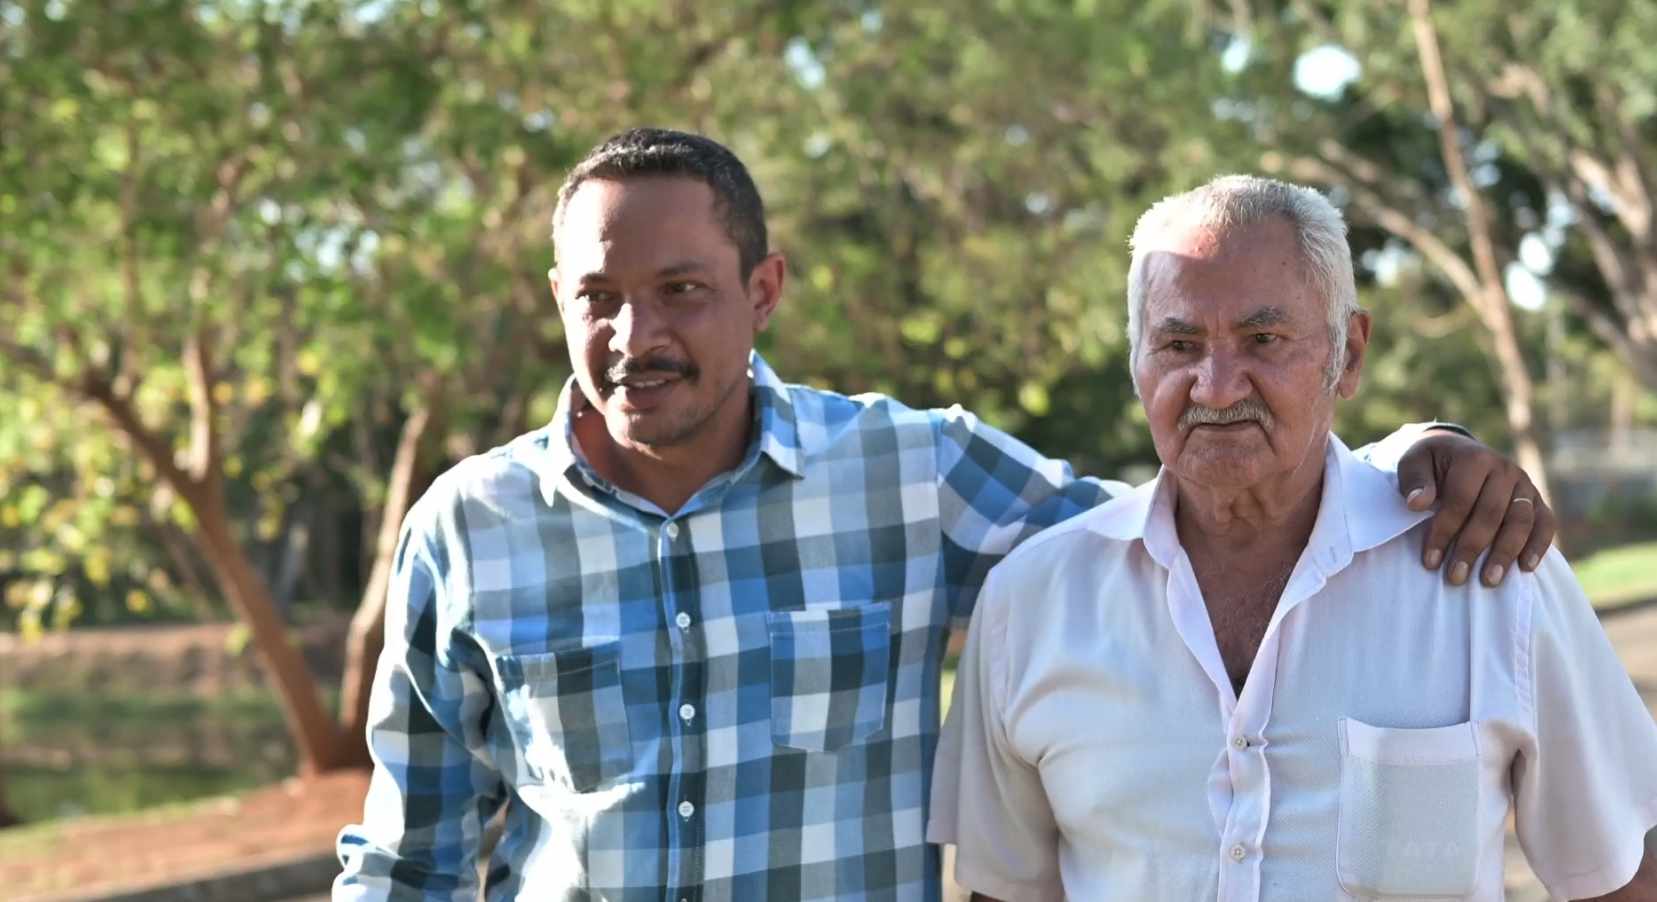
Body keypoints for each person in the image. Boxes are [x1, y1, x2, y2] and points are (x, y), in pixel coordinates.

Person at [334, 130, 1555, 901]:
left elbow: (1197, 507)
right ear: (557, 296)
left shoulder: (917, 477)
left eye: (682, 292)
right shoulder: (464, 528)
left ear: (762, 292)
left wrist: (1409, 457)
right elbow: (413, 858)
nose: (635, 336)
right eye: (597, 297)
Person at [928, 175, 1657, 900]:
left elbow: (1624, 878)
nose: (1214, 386)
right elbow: (1008, 891)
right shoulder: (1032, 601)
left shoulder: (1491, 577)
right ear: (1135, 363)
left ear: (1348, 355)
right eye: (1177, 344)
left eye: (1263, 339)